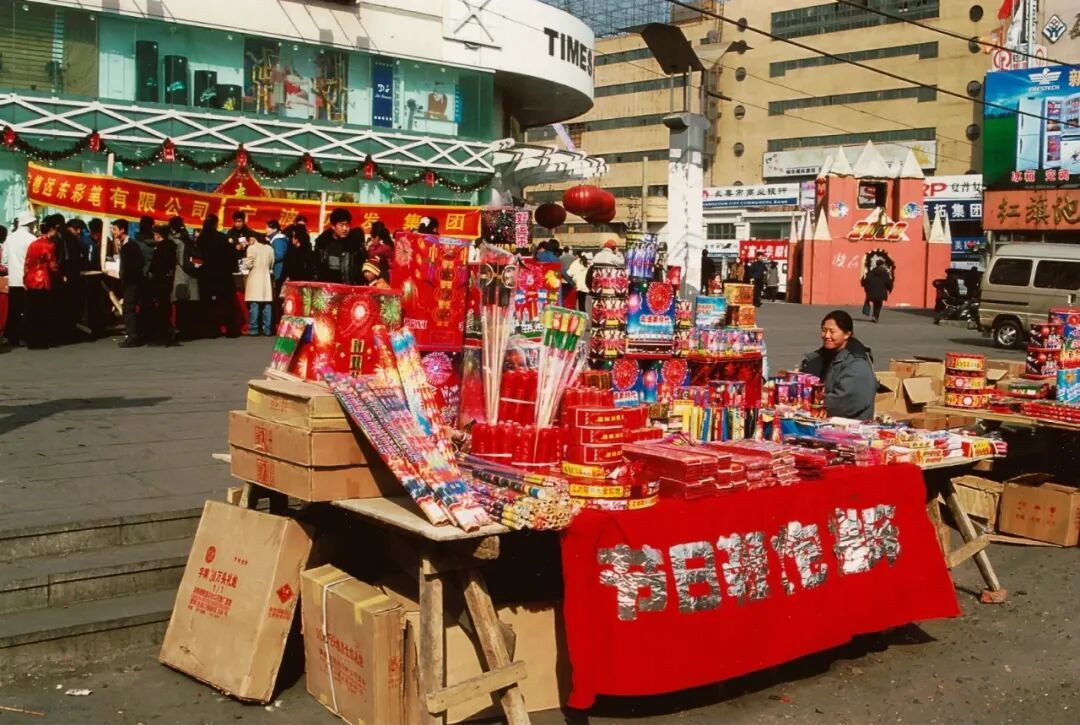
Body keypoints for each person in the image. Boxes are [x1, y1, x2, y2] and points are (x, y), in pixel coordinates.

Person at [799, 310, 876, 421]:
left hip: (849, 424)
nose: (826, 335)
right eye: (824, 330)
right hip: (822, 418)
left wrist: (806, 402)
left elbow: (845, 403)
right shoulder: (820, 357)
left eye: (832, 331)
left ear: (847, 334)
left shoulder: (857, 364)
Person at [23, 214, 63, 350]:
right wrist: (60, 274)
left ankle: (32, 341)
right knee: (43, 312)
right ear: (51, 230)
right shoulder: (49, 245)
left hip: (31, 280)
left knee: (33, 312)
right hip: (43, 281)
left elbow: (27, 263)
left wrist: (25, 279)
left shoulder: (33, 244)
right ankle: (42, 340)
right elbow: (52, 265)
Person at [199, 215, 241, 338]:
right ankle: (231, 330)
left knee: (209, 305)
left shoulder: (200, 239)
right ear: (215, 224)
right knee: (227, 303)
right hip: (223, 275)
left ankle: (211, 330)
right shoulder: (221, 237)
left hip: (207, 276)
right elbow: (231, 254)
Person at [2, 210, 37, 347]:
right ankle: (22, 336)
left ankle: (11, 336)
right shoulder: (32, 239)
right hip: (26, 280)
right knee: (26, 310)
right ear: (30, 223)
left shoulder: (9, 238)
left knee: (13, 310)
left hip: (11, 279)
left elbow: (4, 259)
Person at [114, 219, 147, 347]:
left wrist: (127, 276)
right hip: (129, 281)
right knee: (128, 307)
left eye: (115, 229)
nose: (113, 232)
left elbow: (138, 263)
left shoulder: (131, 245)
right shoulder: (125, 245)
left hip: (132, 282)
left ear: (122, 230)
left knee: (128, 308)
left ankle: (132, 337)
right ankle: (132, 335)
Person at [313, 208, 366, 285]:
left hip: (348, 286)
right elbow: (316, 269)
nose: (345, 228)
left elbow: (359, 270)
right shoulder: (322, 244)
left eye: (347, 225)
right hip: (327, 287)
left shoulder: (354, 245)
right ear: (333, 226)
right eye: (341, 225)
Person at [170, 217, 201, 341]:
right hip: (193, 275)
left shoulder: (175, 241)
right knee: (191, 305)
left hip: (180, 274)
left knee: (181, 305)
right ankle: (191, 330)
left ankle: (182, 330)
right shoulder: (189, 239)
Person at [147, 225, 178, 345]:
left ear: (158, 235)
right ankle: (168, 332)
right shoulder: (172, 248)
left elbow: (154, 267)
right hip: (168, 281)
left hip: (159, 281)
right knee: (166, 307)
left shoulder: (159, 249)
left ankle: (162, 334)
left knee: (160, 309)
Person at [244, 231, 275, 336]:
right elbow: (272, 264)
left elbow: (249, 264)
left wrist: (245, 264)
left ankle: (254, 329)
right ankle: (268, 329)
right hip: (266, 278)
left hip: (254, 277)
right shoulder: (269, 249)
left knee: (254, 304)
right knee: (267, 304)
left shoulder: (251, 248)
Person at [266, 220, 289, 325]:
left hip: (279, 272)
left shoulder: (277, 240)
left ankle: (279, 322)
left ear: (275, 229)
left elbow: (279, 255)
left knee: (279, 299)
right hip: (281, 271)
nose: (266, 229)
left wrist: (268, 259)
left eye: (268, 227)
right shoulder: (280, 239)